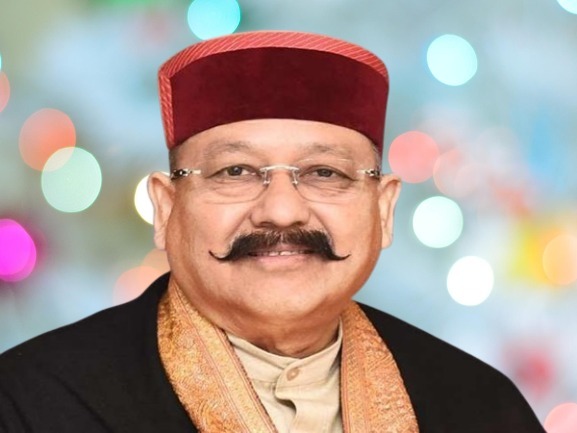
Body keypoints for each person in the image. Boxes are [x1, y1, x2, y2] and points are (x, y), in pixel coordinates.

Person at [0, 30, 545, 433]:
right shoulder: (34, 401)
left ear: (383, 210)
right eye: (235, 172)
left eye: (325, 173)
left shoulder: (479, 406)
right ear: (165, 208)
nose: (282, 212)